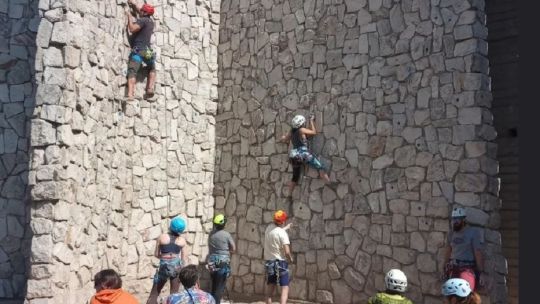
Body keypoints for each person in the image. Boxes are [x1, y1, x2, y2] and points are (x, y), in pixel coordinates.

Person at [279, 114, 330, 197]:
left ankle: (289, 194)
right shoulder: (301, 130)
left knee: (295, 177)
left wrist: (282, 138)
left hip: (293, 156)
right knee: (320, 167)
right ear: (301, 123)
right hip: (303, 154)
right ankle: (329, 183)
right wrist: (311, 121)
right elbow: (313, 132)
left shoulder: (292, 131)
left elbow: (285, 139)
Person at [146, 216, 189, 304]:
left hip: (163, 267)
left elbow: (156, 254)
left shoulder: (162, 237)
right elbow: (184, 259)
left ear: (171, 226)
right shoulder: (182, 241)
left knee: (154, 293)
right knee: (174, 294)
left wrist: (165, 257)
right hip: (176, 268)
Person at [442, 207, 486, 291]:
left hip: (467, 269)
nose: (455, 222)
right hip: (453, 268)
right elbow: (448, 250)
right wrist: (443, 267)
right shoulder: (451, 233)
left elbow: (477, 253)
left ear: (463, 220)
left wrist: (481, 272)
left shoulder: (472, 232)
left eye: (457, 219)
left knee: (465, 294)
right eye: (454, 219)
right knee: (452, 295)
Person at [125, 0, 156, 101]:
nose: (140, 11)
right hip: (147, 51)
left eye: (142, 11)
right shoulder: (151, 22)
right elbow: (142, 13)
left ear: (145, 13)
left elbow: (132, 29)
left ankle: (130, 95)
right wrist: (134, 5)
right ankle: (150, 88)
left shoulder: (142, 21)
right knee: (152, 67)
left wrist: (129, 17)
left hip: (138, 50)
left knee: (132, 71)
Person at [264, 210, 293, 304]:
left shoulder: (268, 228)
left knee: (269, 291)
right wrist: (290, 259)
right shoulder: (282, 234)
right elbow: (287, 251)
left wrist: (286, 228)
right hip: (280, 263)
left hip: (269, 262)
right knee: (285, 287)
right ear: (283, 221)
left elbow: (275, 232)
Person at [207, 214, 236, 304]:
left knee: (214, 283)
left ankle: (212, 301)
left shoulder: (211, 234)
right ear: (224, 224)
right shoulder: (226, 235)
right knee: (220, 286)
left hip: (212, 261)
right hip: (222, 262)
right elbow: (233, 248)